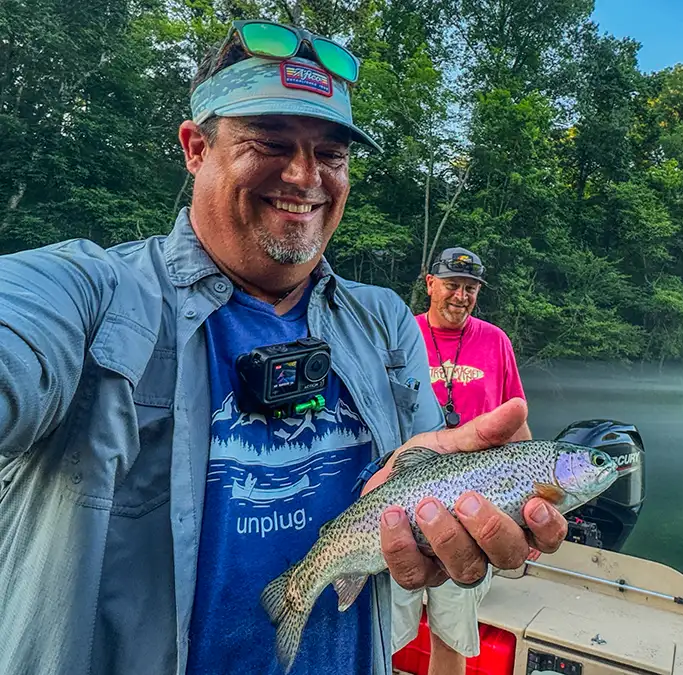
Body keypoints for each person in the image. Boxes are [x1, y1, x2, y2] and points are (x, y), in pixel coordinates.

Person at [0, 20, 566, 675]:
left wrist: (448, 511)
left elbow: (413, 483)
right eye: (269, 141)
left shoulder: (384, 321)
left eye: (331, 154)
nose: (305, 176)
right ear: (195, 147)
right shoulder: (91, 292)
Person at [390, 246, 530, 674]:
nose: (461, 296)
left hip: (474, 506)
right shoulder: (402, 336)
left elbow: (516, 424)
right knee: (384, 631)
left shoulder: (496, 341)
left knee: (451, 634)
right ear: (430, 284)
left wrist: (533, 505)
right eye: (452, 285)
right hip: (402, 499)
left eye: (470, 288)